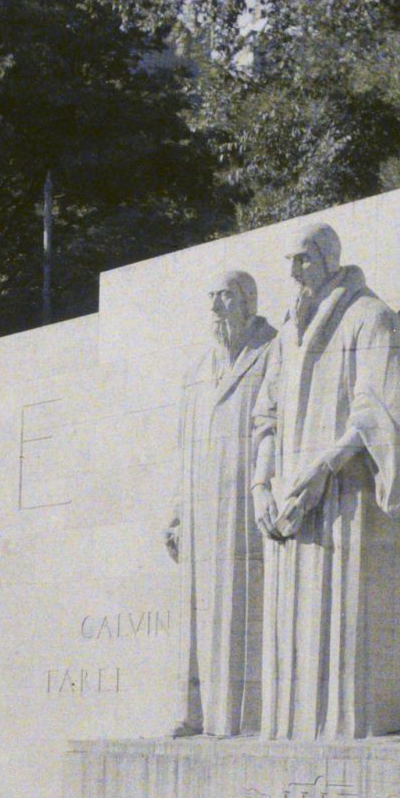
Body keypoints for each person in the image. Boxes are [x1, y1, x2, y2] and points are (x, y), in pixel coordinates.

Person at [251, 221, 400, 739]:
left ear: (330, 261)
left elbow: (386, 408)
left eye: (304, 259)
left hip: (346, 502)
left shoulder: (369, 319)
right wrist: (262, 484)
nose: (294, 271)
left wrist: (324, 467)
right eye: (290, 260)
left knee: (343, 626)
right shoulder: (286, 338)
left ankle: (346, 724)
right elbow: (264, 418)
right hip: (289, 505)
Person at [165, 269, 276, 736]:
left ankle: (243, 715)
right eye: (211, 298)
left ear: (248, 302)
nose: (215, 308)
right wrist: (175, 513)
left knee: (244, 606)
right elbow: (183, 447)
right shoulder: (196, 373)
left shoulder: (272, 354)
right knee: (196, 613)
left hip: (244, 505)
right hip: (200, 508)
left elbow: (275, 427)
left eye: (225, 297)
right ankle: (195, 712)